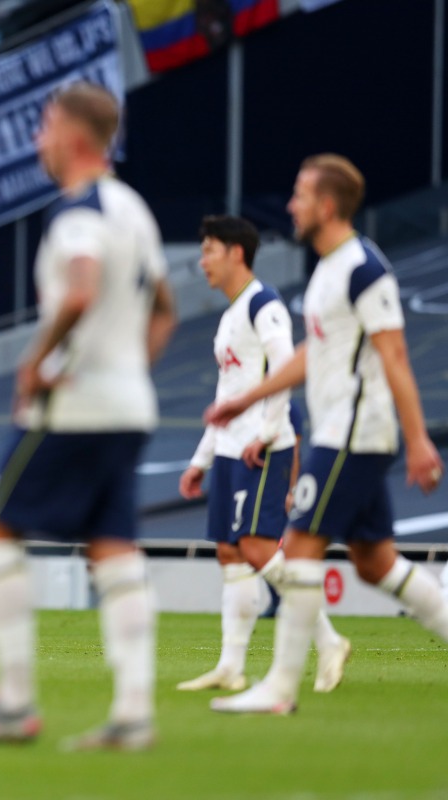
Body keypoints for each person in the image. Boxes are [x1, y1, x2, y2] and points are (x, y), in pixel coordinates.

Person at [0, 82, 176, 751]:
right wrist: (129, 370)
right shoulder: (135, 208)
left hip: (72, 403)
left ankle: (13, 703)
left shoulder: (80, 211)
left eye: (43, 128)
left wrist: (35, 361)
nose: (38, 142)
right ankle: (132, 713)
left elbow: (82, 286)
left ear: (72, 138)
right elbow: (166, 309)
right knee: (113, 548)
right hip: (130, 405)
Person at [206, 154, 446, 715]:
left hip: (354, 434)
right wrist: (247, 396)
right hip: (339, 430)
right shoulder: (328, 270)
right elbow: (316, 353)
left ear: (328, 205)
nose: (291, 205)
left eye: (300, 194)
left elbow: (395, 356)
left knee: (302, 544)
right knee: (374, 561)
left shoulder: (364, 267)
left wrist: (417, 439)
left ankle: (280, 690)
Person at [176, 215, 350, 694]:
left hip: (263, 448)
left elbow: (287, 368)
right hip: (232, 449)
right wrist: (201, 459)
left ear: (236, 252)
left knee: (256, 546)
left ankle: (329, 640)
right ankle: (231, 666)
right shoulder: (231, 314)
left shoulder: (264, 304)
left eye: (209, 250)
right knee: (231, 552)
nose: (202, 260)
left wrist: (270, 432)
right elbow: (227, 391)